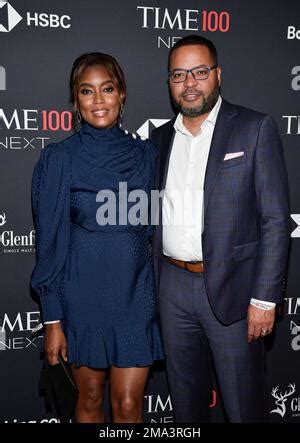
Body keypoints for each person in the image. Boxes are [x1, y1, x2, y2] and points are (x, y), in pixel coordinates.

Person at [151, 35, 290, 423]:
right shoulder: (159, 139)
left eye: (199, 72)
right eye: (179, 74)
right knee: (185, 405)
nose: (189, 83)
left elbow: (276, 220)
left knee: (243, 405)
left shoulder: (253, 128)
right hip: (173, 290)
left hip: (234, 289)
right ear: (169, 82)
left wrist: (264, 299)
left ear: (218, 75)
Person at [31, 52, 164, 423]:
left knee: (128, 406)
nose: (98, 100)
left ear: (122, 94)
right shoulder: (60, 159)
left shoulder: (147, 156)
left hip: (137, 299)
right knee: (88, 400)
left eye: (107, 89)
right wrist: (53, 320)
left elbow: (157, 229)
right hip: (81, 301)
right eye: (87, 91)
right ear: (76, 100)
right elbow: (50, 245)